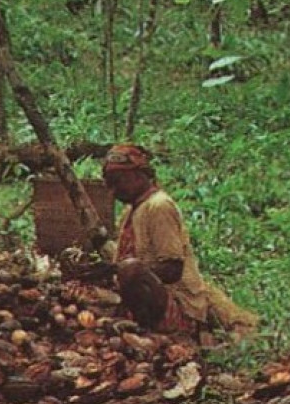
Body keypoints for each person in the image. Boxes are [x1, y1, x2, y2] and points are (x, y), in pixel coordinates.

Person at [100, 144, 258, 338]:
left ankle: (150, 330)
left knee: (130, 269)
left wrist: (126, 270)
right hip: (144, 299)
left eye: (118, 182)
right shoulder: (130, 211)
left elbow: (172, 269)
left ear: (139, 175)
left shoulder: (159, 206)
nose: (114, 191)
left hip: (177, 305)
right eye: (110, 184)